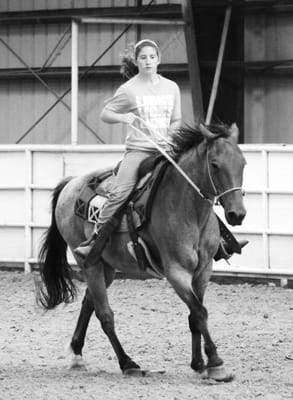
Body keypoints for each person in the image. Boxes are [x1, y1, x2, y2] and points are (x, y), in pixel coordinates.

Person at [75, 39, 182, 258]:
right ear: (137, 61)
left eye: (152, 57)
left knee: (195, 182)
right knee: (120, 193)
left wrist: (172, 135)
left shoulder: (172, 87)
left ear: (159, 59)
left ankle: (218, 238)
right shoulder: (128, 89)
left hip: (167, 148)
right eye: (143, 57)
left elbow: (177, 119)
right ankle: (96, 240)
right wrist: (124, 117)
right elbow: (105, 113)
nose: (148, 61)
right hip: (139, 151)